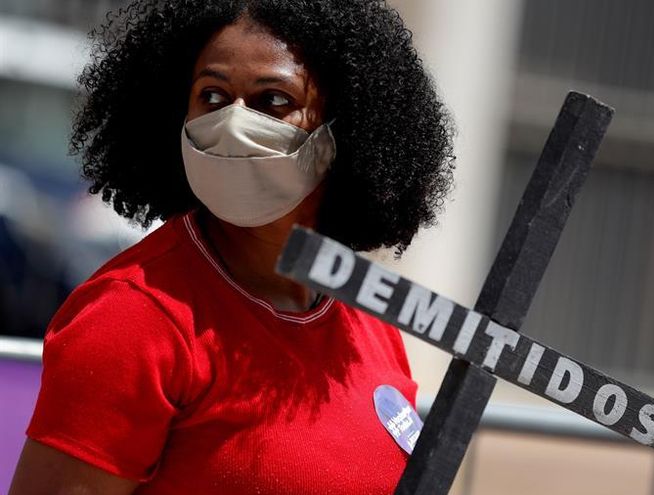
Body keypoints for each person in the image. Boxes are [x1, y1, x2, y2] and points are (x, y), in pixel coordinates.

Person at [9, 0, 454, 493]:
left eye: (273, 100)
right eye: (213, 96)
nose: (235, 123)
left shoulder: (365, 317)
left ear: (344, 128)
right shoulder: (133, 316)